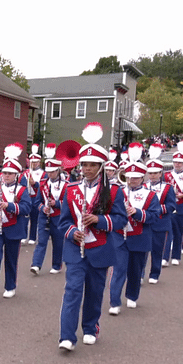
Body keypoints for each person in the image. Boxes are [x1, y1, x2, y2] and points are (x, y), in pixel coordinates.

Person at [57, 123, 127, 351]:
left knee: (95, 293)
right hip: (76, 249)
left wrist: (100, 220)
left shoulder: (114, 191)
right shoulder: (70, 189)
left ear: (101, 166)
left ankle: (90, 328)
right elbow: (63, 222)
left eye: (92, 165)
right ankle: (66, 336)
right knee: (73, 290)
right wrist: (71, 232)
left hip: (100, 248)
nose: (87, 168)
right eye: (84, 164)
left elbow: (120, 220)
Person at [108, 149, 160, 316]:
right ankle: (114, 301)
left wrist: (136, 212)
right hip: (119, 237)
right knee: (118, 270)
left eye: (136, 177)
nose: (132, 180)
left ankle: (132, 295)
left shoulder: (151, 195)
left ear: (142, 178)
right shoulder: (118, 192)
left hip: (140, 237)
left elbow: (154, 216)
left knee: (135, 270)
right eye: (129, 177)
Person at [0, 143, 31, 299]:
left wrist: (10, 206)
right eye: (4, 173)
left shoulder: (22, 190)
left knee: (11, 259)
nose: (6, 176)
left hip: (14, 228)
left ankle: (10, 286)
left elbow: (26, 208)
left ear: (16, 174)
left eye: (10, 173)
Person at [30, 143, 67, 275]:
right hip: (44, 216)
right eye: (48, 171)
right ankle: (36, 264)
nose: (50, 174)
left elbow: (68, 204)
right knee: (42, 241)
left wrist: (56, 203)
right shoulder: (43, 184)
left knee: (58, 243)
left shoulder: (66, 185)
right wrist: (42, 208)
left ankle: (57, 265)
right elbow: (37, 202)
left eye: (53, 171)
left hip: (59, 217)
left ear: (58, 171)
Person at [144, 144, 176, 281]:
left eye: (155, 173)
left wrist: (157, 209)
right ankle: (139, 274)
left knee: (157, 251)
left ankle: (154, 274)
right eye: (150, 173)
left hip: (161, 222)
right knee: (142, 252)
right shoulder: (143, 187)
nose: (152, 176)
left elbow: (171, 205)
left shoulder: (168, 187)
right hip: (145, 223)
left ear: (160, 173)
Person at [20, 144, 44, 244]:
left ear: (39, 162)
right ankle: (24, 235)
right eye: (32, 162)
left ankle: (32, 237)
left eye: (35, 162)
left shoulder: (43, 173)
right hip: (26, 196)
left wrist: (35, 184)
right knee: (24, 218)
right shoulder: (25, 173)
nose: (33, 164)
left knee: (34, 218)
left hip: (35, 197)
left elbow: (43, 186)